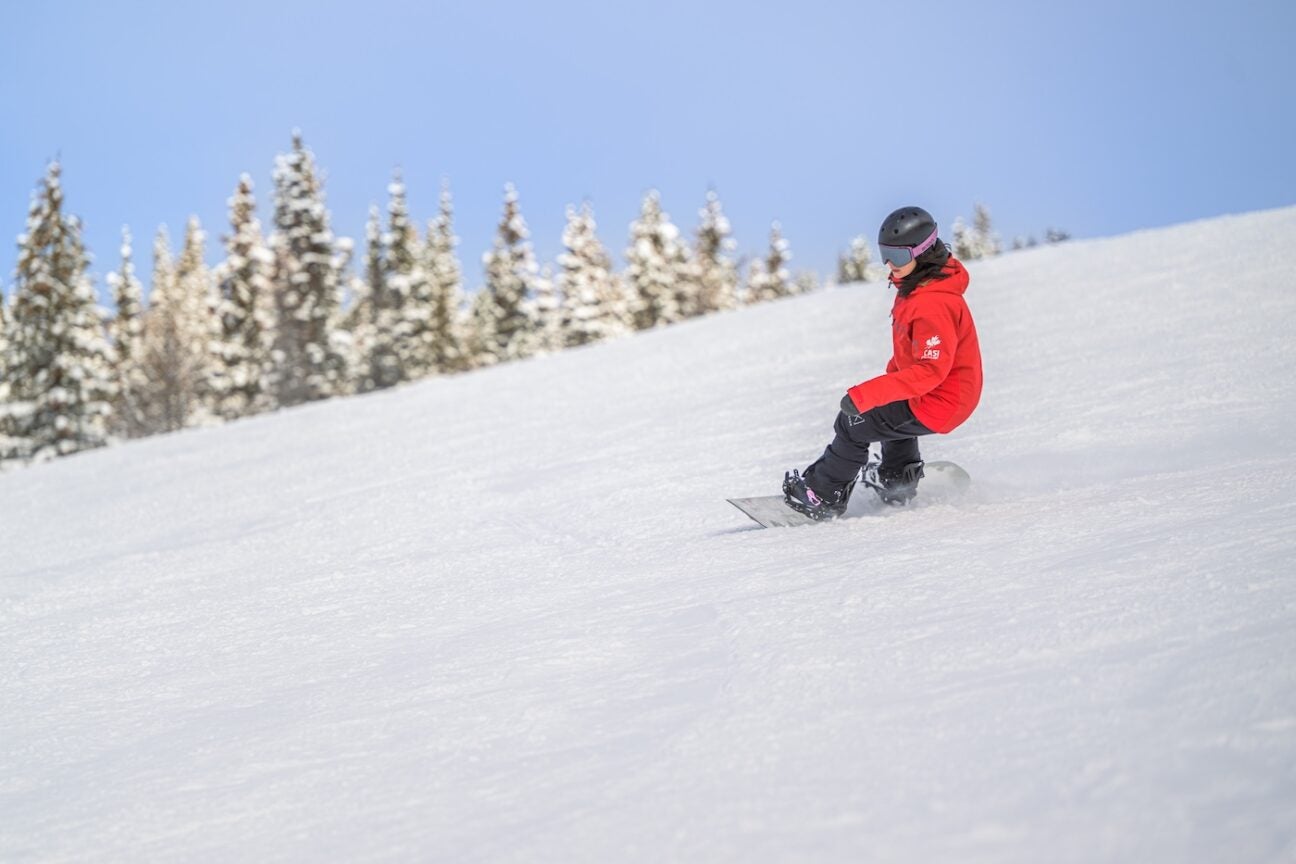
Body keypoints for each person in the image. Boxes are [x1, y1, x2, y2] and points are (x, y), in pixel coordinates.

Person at [783, 206, 983, 519]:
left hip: (941, 399)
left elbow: (930, 370)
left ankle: (822, 496)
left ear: (923, 253)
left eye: (898, 256)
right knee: (889, 411)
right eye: (885, 255)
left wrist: (868, 395)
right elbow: (911, 355)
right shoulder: (919, 287)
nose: (890, 264)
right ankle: (897, 480)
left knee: (852, 423)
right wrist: (888, 386)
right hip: (941, 395)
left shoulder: (933, 303)